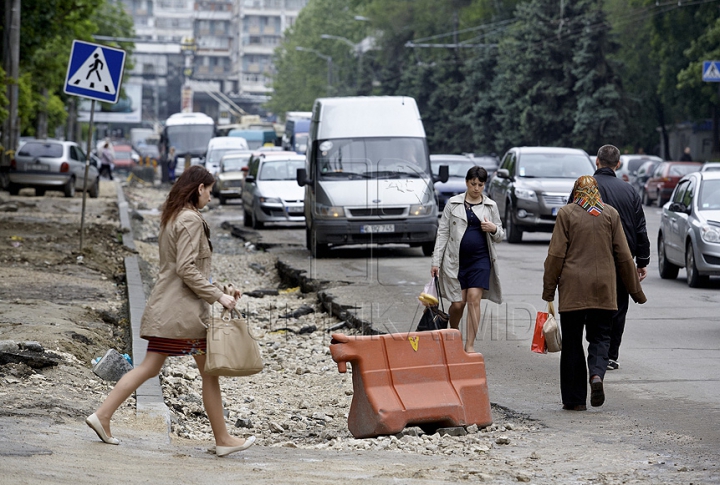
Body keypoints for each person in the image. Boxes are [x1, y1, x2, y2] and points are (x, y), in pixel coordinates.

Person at [86, 165, 255, 457]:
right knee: (207, 374)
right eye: (210, 192)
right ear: (199, 188)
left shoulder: (174, 215)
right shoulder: (190, 219)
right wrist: (218, 297)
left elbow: (187, 268)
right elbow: (187, 268)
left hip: (171, 312)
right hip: (183, 316)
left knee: (151, 368)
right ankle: (223, 439)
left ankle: (102, 415)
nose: (211, 199)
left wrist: (221, 290)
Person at [543, 175, 646, 411]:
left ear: (575, 192)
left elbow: (556, 256)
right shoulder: (610, 214)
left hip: (573, 290)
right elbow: (623, 255)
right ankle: (597, 375)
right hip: (603, 289)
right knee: (600, 337)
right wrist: (636, 292)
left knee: (571, 343)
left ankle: (575, 400)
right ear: (596, 191)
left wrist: (549, 290)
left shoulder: (566, 214)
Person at [431, 166, 504, 353]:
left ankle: (469, 345)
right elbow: (443, 233)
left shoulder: (490, 206)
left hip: (480, 260)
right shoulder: (453, 204)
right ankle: (453, 334)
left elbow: (500, 234)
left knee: (474, 299)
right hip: (455, 261)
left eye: (480, 184)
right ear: (466, 182)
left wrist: (493, 228)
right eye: (473, 184)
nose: (476, 188)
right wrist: (435, 261)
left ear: (484, 185)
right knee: (457, 304)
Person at [591, 145, 650, 371]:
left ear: (597, 161)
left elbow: (570, 222)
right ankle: (611, 354)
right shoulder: (629, 191)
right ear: (618, 164)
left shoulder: (585, 189)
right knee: (618, 307)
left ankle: (596, 349)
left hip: (590, 257)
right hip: (621, 259)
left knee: (592, 304)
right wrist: (642, 260)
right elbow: (640, 229)